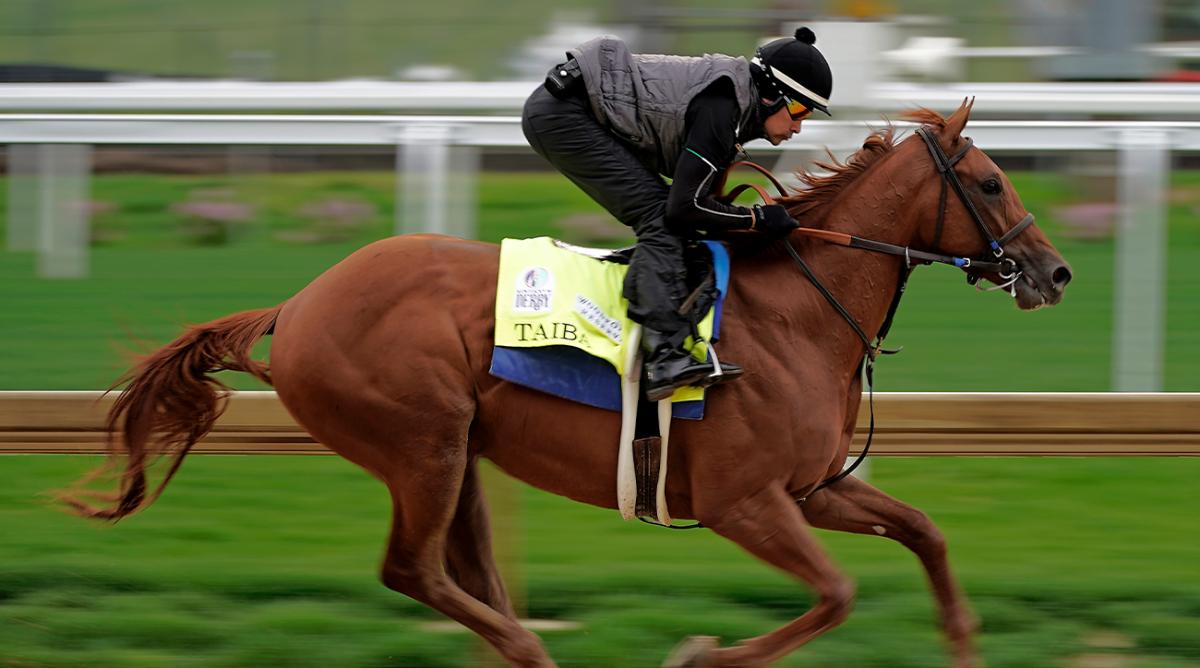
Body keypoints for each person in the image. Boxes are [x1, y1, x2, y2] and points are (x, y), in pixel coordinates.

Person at [521, 27, 833, 402]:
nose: (800, 125)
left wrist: (749, 222)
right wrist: (757, 220)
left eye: (808, 114)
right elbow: (685, 209)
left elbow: (703, 210)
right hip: (562, 115)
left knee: (671, 218)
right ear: (770, 95)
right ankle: (666, 357)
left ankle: (668, 330)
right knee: (660, 216)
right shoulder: (722, 112)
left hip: (579, 107)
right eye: (798, 109)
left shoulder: (735, 109)